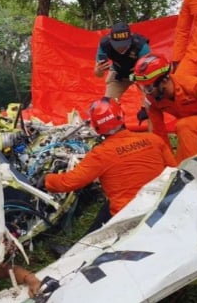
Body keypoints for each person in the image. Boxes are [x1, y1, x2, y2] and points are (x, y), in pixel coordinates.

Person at [42, 97, 177, 230]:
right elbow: (175, 170)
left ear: (95, 126)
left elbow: (69, 182)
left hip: (128, 217)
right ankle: (88, 240)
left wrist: (46, 180)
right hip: (162, 207)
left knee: (113, 205)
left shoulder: (101, 154)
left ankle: (88, 248)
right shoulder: (153, 139)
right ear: (121, 115)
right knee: (107, 207)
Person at [94, 22, 151, 99]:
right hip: (118, 73)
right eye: (117, 45)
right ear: (110, 40)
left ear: (130, 39)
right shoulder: (104, 44)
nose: (121, 48)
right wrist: (99, 70)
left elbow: (149, 75)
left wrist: (144, 107)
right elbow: (98, 75)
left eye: (124, 44)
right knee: (108, 105)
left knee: (150, 100)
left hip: (140, 75)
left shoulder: (141, 45)